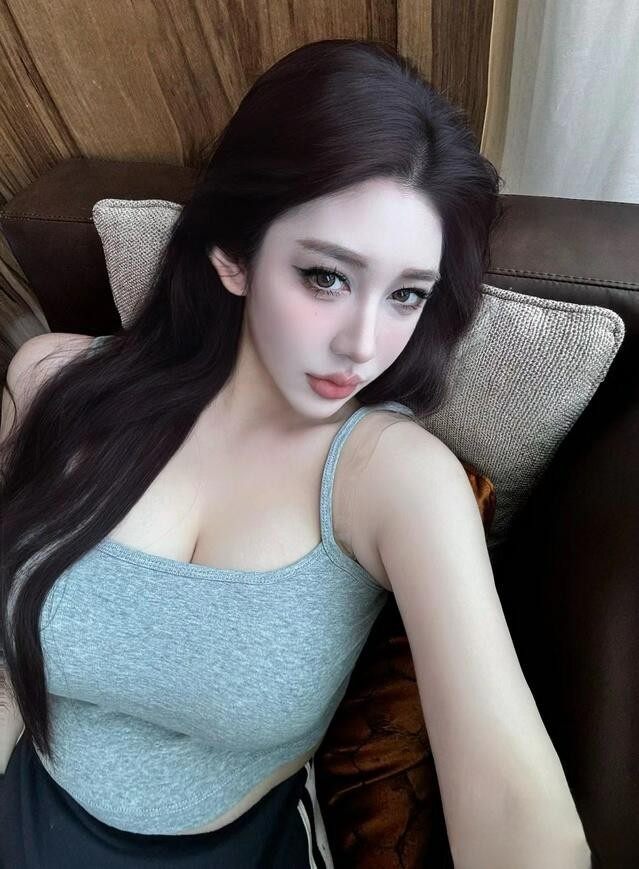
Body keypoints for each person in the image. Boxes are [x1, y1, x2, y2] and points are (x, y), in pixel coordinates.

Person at [0, 37, 591, 869]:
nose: (362, 344)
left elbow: (512, 803)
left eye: (406, 294)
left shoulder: (394, 477)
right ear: (233, 254)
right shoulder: (49, 382)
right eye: (325, 277)